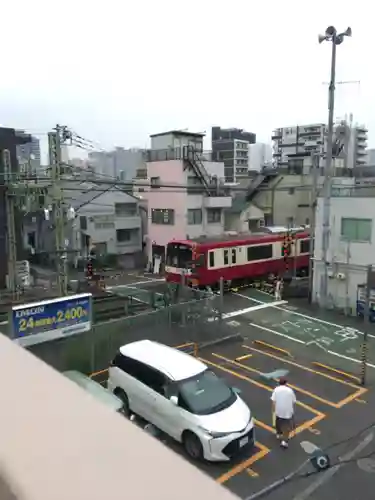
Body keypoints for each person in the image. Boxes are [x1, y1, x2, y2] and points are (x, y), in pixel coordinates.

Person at [271, 376, 296, 449]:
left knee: (278, 422)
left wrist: (273, 410)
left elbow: (273, 401)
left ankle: (278, 434)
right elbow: (293, 401)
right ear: (286, 383)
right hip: (287, 412)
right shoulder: (290, 390)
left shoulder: (276, 390)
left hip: (278, 410)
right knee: (287, 427)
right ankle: (284, 441)